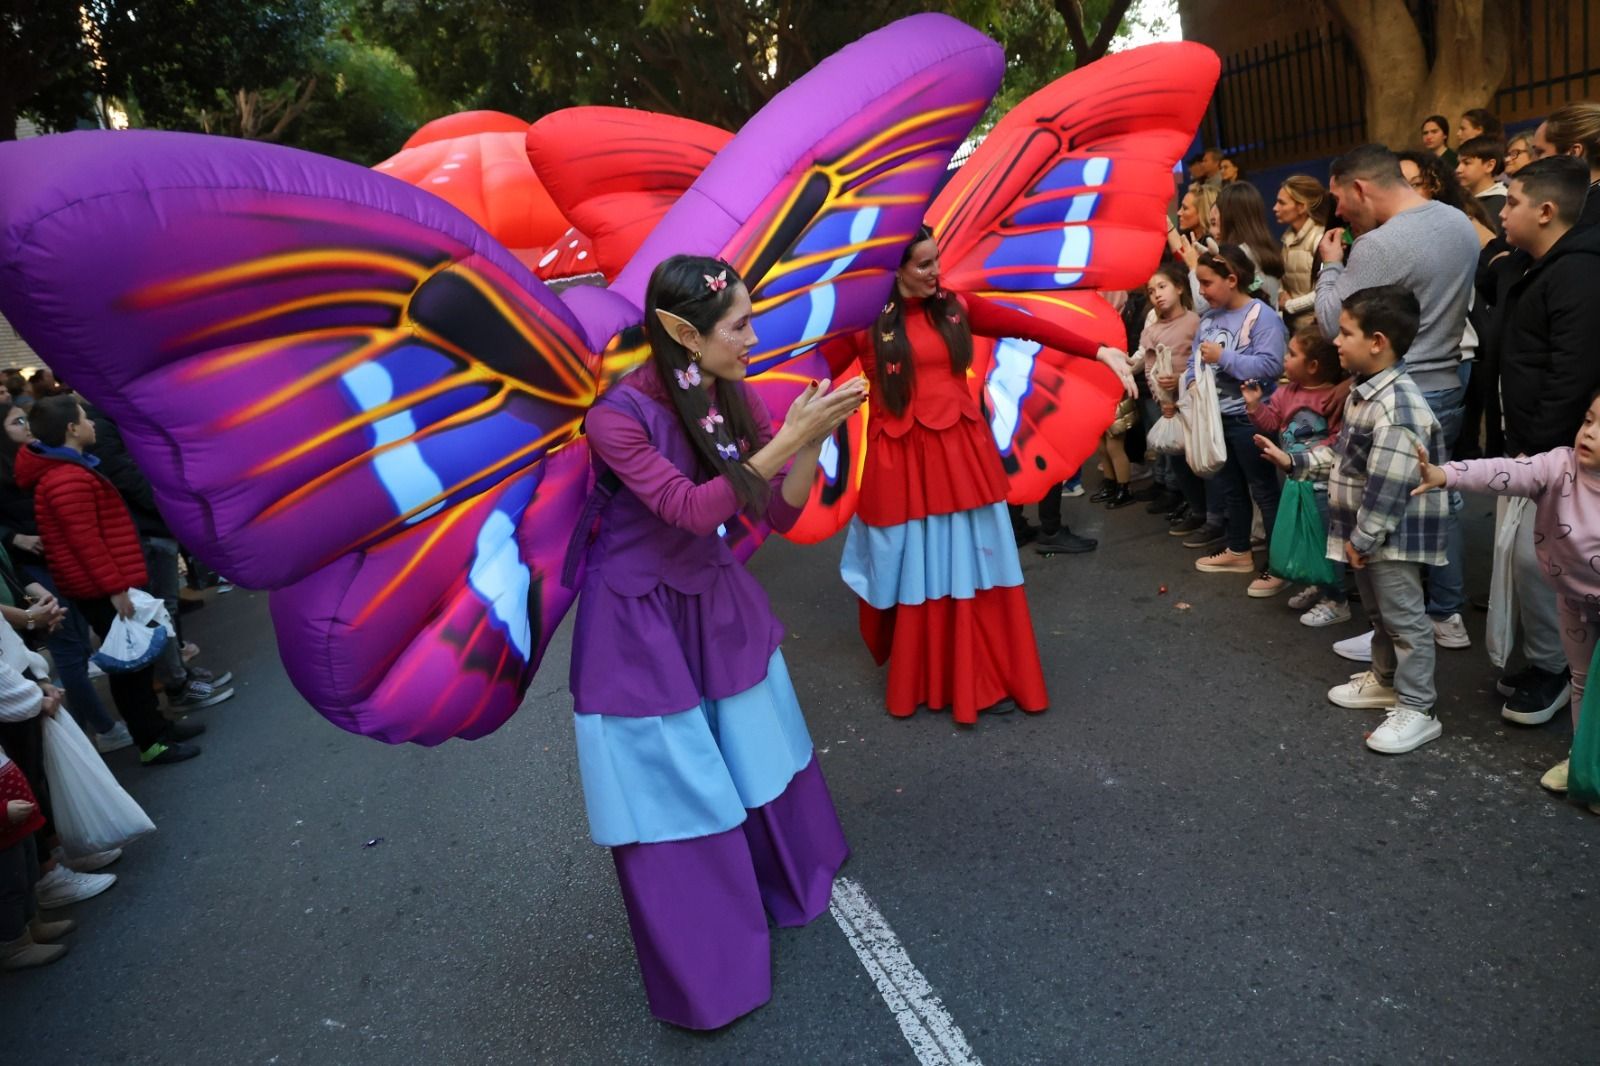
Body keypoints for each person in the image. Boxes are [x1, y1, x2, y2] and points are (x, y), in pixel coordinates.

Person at [564, 255, 861, 1030]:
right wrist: (785, 437)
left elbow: (785, 517)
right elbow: (689, 510)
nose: (755, 338)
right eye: (741, 325)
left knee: (761, 751)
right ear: (684, 334)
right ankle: (711, 970)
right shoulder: (615, 417)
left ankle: (785, 886)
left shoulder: (729, 393)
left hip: (712, 597)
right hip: (636, 619)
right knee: (676, 796)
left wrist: (809, 442)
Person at [838, 226, 1135, 723]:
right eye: (924, 265)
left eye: (937, 261)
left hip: (962, 459)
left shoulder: (956, 306)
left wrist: (1099, 350)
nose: (936, 273)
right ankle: (927, 674)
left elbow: (1028, 327)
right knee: (915, 569)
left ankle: (984, 673)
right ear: (896, 267)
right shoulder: (862, 321)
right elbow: (807, 372)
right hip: (903, 462)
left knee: (975, 566)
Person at [1259, 286, 1448, 754]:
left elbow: (1387, 490)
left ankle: (1418, 707)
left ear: (1378, 341)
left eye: (1346, 333)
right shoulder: (1367, 392)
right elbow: (1347, 458)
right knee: (1381, 617)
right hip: (1370, 537)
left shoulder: (1396, 407)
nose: (1336, 342)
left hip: (1389, 539)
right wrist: (1294, 462)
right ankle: (1385, 681)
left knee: (1405, 622)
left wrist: (1362, 540)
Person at [1316, 144, 1479, 653]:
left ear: (1360, 187)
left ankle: (1396, 631)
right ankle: (1444, 615)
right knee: (1435, 501)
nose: (1338, 211)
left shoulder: (1378, 246)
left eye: (1339, 198)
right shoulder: (1456, 221)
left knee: (1384, 515)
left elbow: (1332, 325)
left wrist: (1330, 266)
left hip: (1399, 391)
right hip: (1449, 383)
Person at [1414, 390, 1600, 806]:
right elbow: (1503, 472)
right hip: (1574, 600)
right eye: (1588, 420)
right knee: (1583, 683)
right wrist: (1445, 475)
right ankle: (1583, 760)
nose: (1589, 432)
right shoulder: (1558, 465)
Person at [14, 397, 202, 766]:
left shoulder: (67, 469)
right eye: (85, 418)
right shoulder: (66, 477)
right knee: (129, 665)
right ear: (71, 428)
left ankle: (158, 729)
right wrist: (116, 589)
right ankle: (152, 741)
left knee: (136, 662)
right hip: (101, 588)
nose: (93, 423)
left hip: (102, 583)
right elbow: (85, 541)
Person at [1483, 156, 1600, 730]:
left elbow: (1569, 375)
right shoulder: (1535, 266)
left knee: (1546, 562)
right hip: (1529, 446)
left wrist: (1538, 458)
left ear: (1547, 211)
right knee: (1532, 561)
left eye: (1511, 203)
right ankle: (1548, 661)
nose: (1502, 214)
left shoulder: (1577, 273)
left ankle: (1559, 672)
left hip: (1555, 455)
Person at [80, 401, 234, 711]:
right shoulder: (104, 427)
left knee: (166, 607)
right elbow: (128, 477)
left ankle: (181, 675)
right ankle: (177, 684)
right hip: (146, 529)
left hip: (152, 526)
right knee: (159, 609)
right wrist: (168, 506)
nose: (88, 423)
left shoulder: (113, 418)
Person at [0, 404, 125, 751]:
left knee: (75, 646)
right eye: (15, 421)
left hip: (45, 569)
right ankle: (103, 728)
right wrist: (14, 537)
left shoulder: (34, 459)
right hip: (30, 570)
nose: (26, 426)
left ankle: (85, 730)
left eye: (26, 418)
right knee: (67, 650)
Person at [1182, 245, 1288, 595]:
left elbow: (1271, 365)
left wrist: (1224, 357)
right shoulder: (1209, 319)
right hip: (1217, 420)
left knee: (1264, 491)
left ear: (1232, 279)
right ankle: (1240, 551)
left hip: (1249, 418)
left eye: (1207, 283)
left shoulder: (1263, 316)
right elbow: (1191, 363)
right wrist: (1192, 381)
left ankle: (1279, 565)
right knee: (1231, 489)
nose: (1202, 291)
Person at [1244, 324, 1351, 625]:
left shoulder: (1333, 398)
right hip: (1294, 478)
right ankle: (1319, 584)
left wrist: (1301, 458)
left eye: (1292, 354)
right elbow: (1271, 422)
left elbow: (1337, 439)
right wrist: (1254, 407)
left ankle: (1337, 600)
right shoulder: (1284, 392)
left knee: (1328, 542)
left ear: (1313, 366)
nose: (1285, 358)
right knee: (1308, 537)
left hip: (1323, 483)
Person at [1141, 263, 1201, 520]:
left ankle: (1207, 511)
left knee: (1198, 459)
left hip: (1193, 401)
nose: (1157, 294)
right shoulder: (1151, 331)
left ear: (1179, 287)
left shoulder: (1194, 322)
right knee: (1177, 460)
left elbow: (1200, 362)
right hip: (1168, 405)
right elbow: (1149, 368)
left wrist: (1180, 381)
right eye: (1151, 291)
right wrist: (1162, 399)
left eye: (1162, 287)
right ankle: (1193, 506)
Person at [1178, 182, 1284, 308]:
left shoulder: (1240, 255)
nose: (1211, 232)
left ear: (1230, 219)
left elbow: (1203, 306)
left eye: (1214, 223)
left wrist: (1194, 266)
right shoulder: (1264, 249)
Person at [1529, 102, 1600, 229]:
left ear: (1573, 153)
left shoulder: (1587, 212)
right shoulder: (1559, 200)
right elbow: (1495, 246)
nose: (1532, 161)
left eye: (1539, 152)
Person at [1275, 175, 1330, 330]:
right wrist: (1280, 294)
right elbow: (1283, 280)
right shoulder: (1287, 239)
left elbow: (1326, 288)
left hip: (1316, 327)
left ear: (1301, 207)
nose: (1275, 208)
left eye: (1281, 203)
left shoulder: (1319, 239)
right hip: (1294, 326)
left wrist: (1289, 304)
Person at [1455, 135, 1509, 225]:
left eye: (1466, 163)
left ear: (1489, 166)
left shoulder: (1501, 202)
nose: (1458, 169)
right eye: (1459, 163)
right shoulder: (1461, 198)